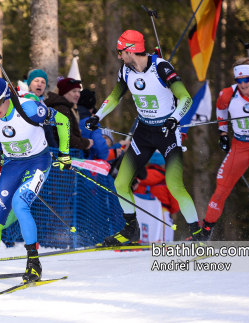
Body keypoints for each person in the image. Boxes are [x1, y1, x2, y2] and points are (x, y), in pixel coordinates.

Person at [85, 30, 202, 245]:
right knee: (121, 182)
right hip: (144, 132)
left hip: (167, 132)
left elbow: (186, 98)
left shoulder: (161, 67)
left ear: (130, 50)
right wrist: (97, 116)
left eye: (121, 52)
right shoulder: (126, 71)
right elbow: (114, 97)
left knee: (174, 185)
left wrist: (174, 119)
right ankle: (131, 230)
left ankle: (198, 234)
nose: (119, 56)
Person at [0, 75, 71, 283]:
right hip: (13, 164)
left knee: (20, 204)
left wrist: (64, 153)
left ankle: (34, 263)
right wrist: (0, 155)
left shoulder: (29, 109)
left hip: (38, 162)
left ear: (7, 97)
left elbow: (63, 121)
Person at [201, 58, 249, 241]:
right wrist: (223, 133)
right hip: (240, 147)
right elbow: (220, 108)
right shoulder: (227, 94)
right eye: (239, 80)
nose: (243, 84)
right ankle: (204, 233)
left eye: (246, 79)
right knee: (221, 189)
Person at [133, 151, 178, 241]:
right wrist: (172, 211)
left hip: (141, 212)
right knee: (161, 241)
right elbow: (175, 204)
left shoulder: (138, 176)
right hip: (162, 214)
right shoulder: (169, 179)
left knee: (142, 240)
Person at [44, 78, 93, 150]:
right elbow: (66, 137)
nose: (77, 95)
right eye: (74, 91)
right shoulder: (61, 108)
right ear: (64, 92)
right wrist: (86, 143)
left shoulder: (62, 106)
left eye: (79, 91)